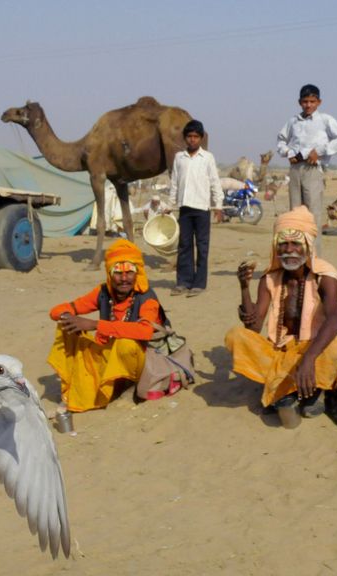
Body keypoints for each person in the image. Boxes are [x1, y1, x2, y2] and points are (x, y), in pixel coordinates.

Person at [225, 206, 337, 417]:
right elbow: (253, 327)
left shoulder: (324, 276)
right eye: (283, 244)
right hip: (281, 351)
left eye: (295, 244)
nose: (288, 250)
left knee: (335, 347)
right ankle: (290, 388)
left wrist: (309, 358)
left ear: (308, 246)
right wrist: (244, 288)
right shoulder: (269, 279)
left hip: (314, 350)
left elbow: (335, 320)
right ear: (276, 247)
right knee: (236, 336)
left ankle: (307, 390)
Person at [47, 239, 167, 413]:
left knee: (126, 343)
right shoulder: (103, 292)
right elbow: (59, 311)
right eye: (118, 272)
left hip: (145, 359)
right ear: (110, 274)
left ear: (137, 273)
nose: (124, 278)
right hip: (109, 352)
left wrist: (95, 324)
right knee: (68, 329)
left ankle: (129, 383)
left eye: (129, 272)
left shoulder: (147, 297)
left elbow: (145, 331)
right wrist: (67, 317)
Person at [276, 84, 337, 255]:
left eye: (312, 101)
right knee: (295, 214)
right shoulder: (293, 122)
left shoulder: (325, 120)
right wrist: (288, 152)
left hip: (313, 170)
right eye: (305, 101)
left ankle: (314, 259)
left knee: (313, 215)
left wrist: (320, 151)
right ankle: (296, 255)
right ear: (299, 102)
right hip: (295, 169)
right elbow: (280, 140)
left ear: (319, 102)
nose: (308, 105)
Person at [165, 119, 223, 298]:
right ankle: (183, 282)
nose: (192, 140)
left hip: (202, 208)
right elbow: (174, 182)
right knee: (184, 246)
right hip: (184, 208)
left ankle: (199, 284)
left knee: (202, 246)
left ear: (201, 138)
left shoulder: (207, 158)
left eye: (195, 137)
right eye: (189, 136)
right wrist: (170, 204)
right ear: (185, 138)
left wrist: (218, 206)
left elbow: (214, 182)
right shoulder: (179, 158)